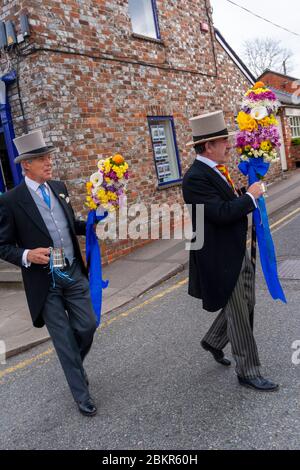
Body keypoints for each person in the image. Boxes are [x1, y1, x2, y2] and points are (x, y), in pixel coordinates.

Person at [0, 129, 99, 415]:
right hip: (45, 281)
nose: (48, 161)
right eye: (40, 158)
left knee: (87, 325)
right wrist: (26, 254)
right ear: (25, 165)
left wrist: (92, 223)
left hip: (72, 269)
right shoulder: (10, 201)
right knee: (64, 340)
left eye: (48, 156)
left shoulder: (59, 187)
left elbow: (69, 224)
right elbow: (2, 245)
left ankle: (74, 368)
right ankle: (82, 395)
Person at [182, 110, 278, 392]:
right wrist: (250, 196)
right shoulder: (195, 178)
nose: (229, 144)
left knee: (246, 302)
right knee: (238, 311)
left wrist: (244, 194)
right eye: (223, 140)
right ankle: (248, 371)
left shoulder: (214, 170)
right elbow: (221, 213)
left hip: (236, 249)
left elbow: (227, 202)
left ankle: (213, 340)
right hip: (219, 256)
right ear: (208, 146)